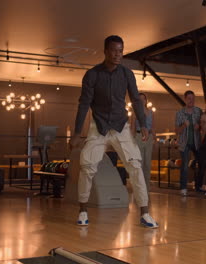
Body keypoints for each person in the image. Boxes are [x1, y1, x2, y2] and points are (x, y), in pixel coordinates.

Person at [70, 35, 158, 228]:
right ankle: (83, 211)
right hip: (98, 127)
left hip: (121, 127)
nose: (118, 54)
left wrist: (143, 124)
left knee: (135, 167)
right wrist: (77, 132)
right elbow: (84, 104)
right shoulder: (92, 74)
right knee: (87, 166)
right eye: (114, 50)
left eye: (121, 51)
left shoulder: (127, 74)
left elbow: (136, 99)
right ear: (105, 51)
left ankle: (145, 213)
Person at [175, 90, 203, 196]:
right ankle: (183, 187)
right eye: (189, 98)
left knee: (200, 164)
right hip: (184, 143)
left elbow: (204, 126)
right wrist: (184, 126)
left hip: (197, 142)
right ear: (185, 99)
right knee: (185, 166)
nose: (191, 100)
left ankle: (198, 186)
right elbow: (176, 130)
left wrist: (199, 127)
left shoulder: (199, 111)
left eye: (193, 98)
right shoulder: (180, 113)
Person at [130, 93, 154, 193]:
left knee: (147, 164)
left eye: (144, 99)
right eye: (140, 99)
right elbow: (132, 127)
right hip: (139, 136)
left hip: (149, 137)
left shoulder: (151, 112)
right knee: (140, 163)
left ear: (146, 101)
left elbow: (153, 127)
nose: (142, 101)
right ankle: (139, 187)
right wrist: (131, 140)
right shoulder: (135, 112)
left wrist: (155, 139)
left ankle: (146, 188)